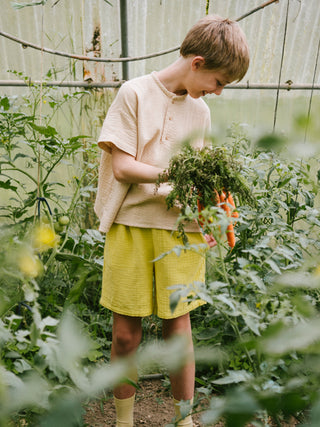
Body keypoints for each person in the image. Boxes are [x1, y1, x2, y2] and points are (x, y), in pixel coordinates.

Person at [94, 14, 249, 427]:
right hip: (130, 227)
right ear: (197, 63)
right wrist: (173, 174)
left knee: (178, 331)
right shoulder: (135, 93)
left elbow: (201, 180)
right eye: (218, 81)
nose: (217, 92)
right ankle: (124, 421)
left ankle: (184, 420)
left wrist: (213, 216)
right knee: (126, 334)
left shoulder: (199, 113)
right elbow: (124, 167)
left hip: (181, 232)